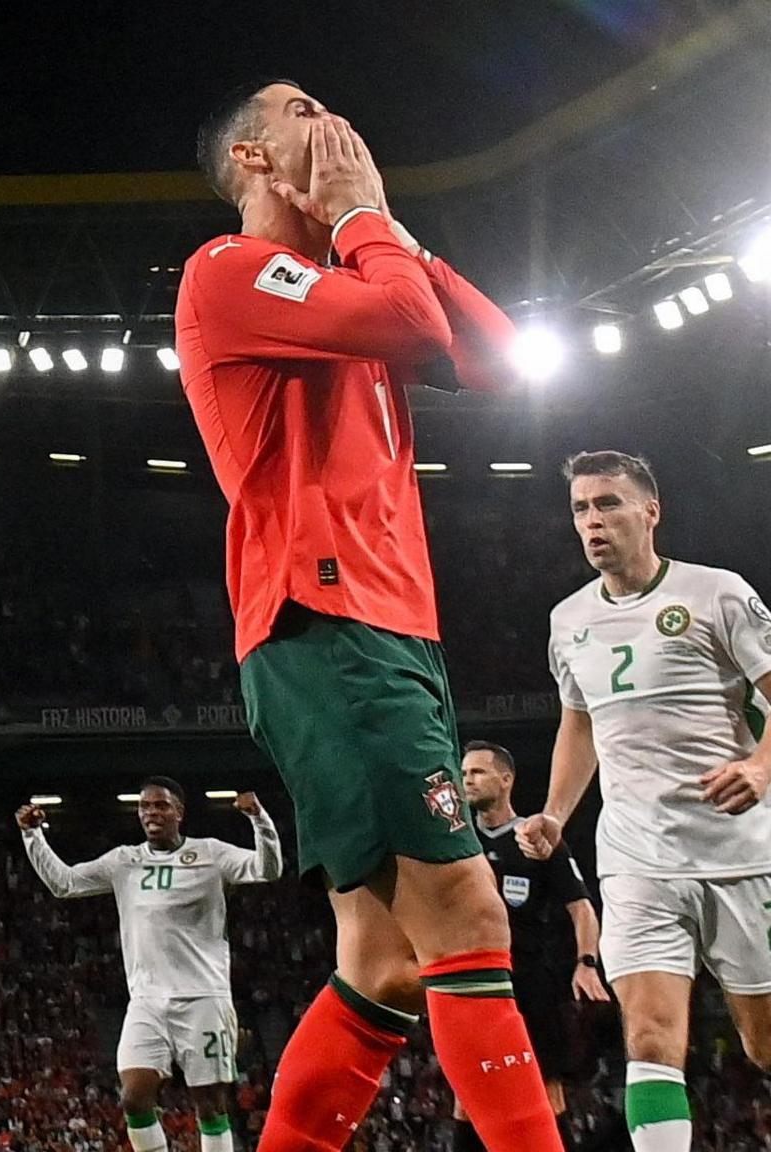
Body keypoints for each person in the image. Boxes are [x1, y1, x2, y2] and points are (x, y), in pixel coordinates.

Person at [178, 80, 556, 1151]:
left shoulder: (346, 267)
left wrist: (369, 221)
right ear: (253, 159)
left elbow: (490, 356)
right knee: (471, 921)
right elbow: (403, 317)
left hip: (384, 627)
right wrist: (354, 219)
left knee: (382, 962)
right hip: (325, 620)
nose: (336, 119)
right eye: (304, 110)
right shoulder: (229, 269)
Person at [519, 450, 771, 1152]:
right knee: (652, 1038)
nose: (592, 521)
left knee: (763, 1047)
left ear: (650, 511)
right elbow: (580, 721)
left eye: (607, 504)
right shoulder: (568, 619)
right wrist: (555, 814)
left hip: (741, 853)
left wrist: (760, 766)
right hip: (637, 860)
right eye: (580, 509)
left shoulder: (717, 594)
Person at [16, 782, 281, 1152]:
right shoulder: (124, 861)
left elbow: (267, 869)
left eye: (160, 806)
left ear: (179, 812)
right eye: (144, 807)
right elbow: (65, 884)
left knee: (209, 1105)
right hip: (146, 1002)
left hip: (204, 999)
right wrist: (32, 836)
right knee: (134, 1098)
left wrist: (259, 820)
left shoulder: (210, 854)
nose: (150, 813)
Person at [454, 740, 608, 1152]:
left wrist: (586, 962)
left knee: (545, 1087)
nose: (467, 779)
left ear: (506, 780)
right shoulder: (457, 843)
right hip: (471, 982)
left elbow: (581, 907)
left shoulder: (536, 838)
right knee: (466, 1094)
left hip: (529, 983)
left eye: (478, 772)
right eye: (464, 772)